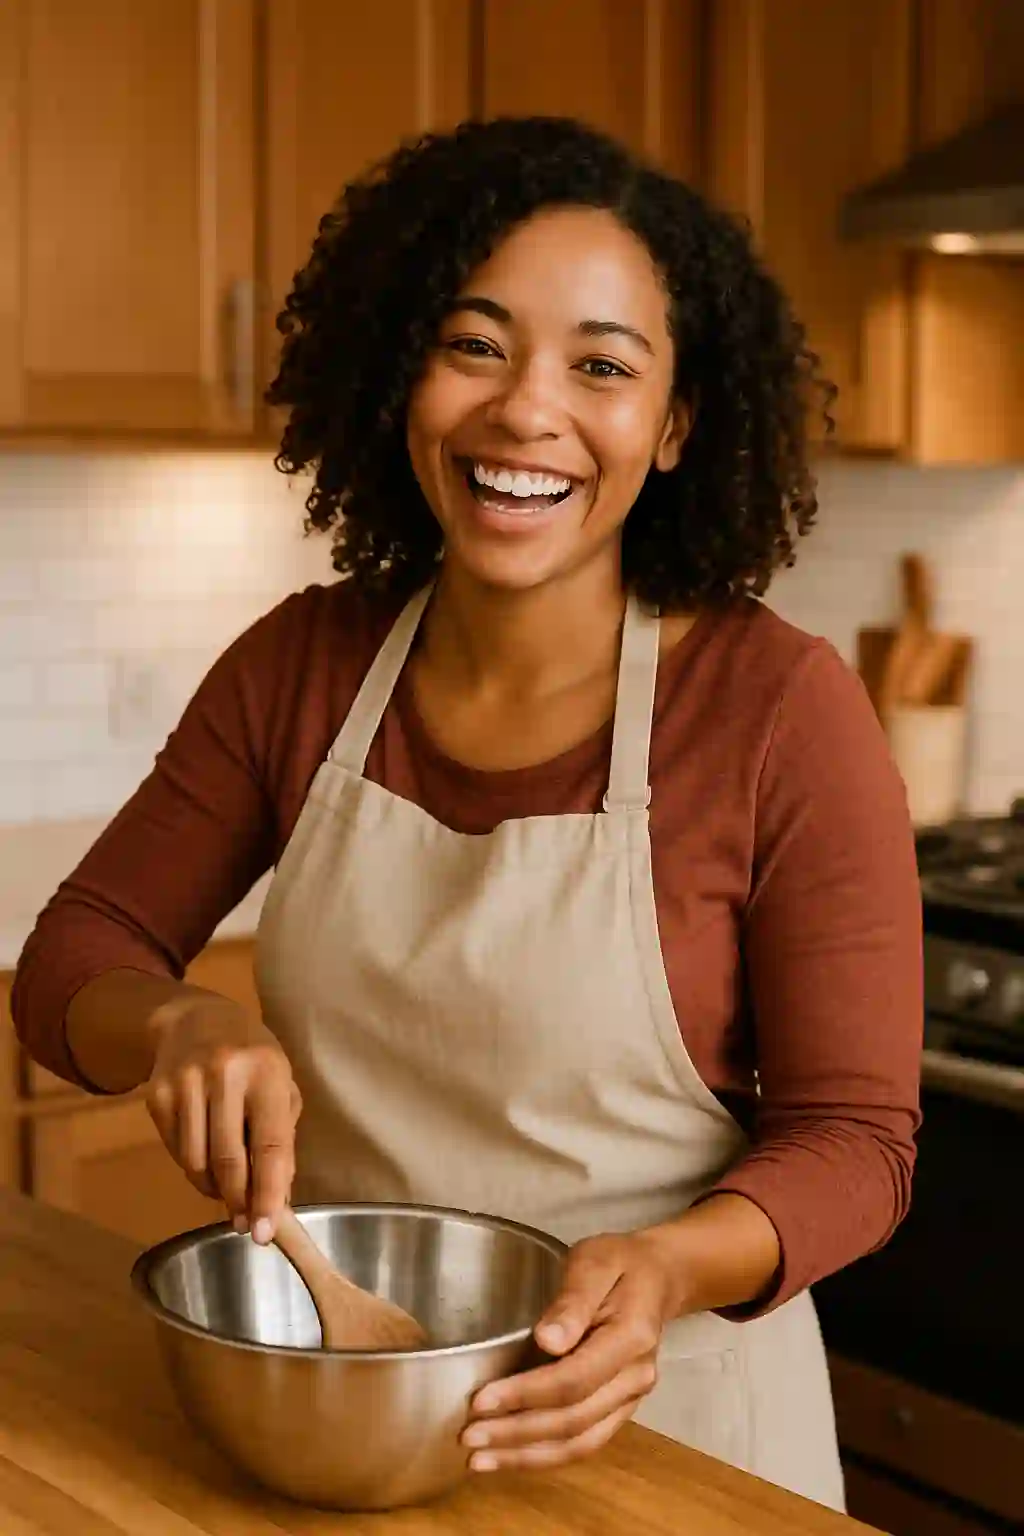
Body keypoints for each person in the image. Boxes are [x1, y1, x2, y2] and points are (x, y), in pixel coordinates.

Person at [12, 116, 922, 1511]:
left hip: (670, 1436)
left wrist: (677, 1262)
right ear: (401, 374)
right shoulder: (303, 667)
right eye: (475, 344)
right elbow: (77, 954)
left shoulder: (781, 713)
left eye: (602, 367)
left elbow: (858, 1142)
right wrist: (181, 1019)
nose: (525, 412)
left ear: (677, 424)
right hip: (342, 1415)